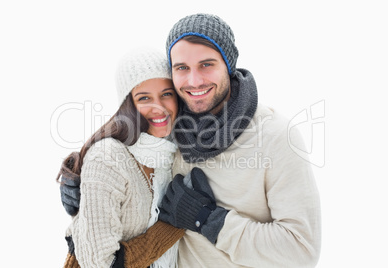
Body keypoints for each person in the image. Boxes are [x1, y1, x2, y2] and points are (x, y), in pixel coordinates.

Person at [61, 13, 322, 268]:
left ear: (228, 65)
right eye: (182, 68)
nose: (194, 81)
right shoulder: (172, 126)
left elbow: (302, 249)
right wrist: (85, 192)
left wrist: (207, 220)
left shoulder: (275, 137)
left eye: (206, 64)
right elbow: (125, 164)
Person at [57, 47, 185, 268]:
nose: (159, 107)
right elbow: (101, 263)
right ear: (128, 104)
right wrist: (172, 226)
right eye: (144, 98)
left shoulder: (171, 153)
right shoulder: (108, 157)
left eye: (166, 94)